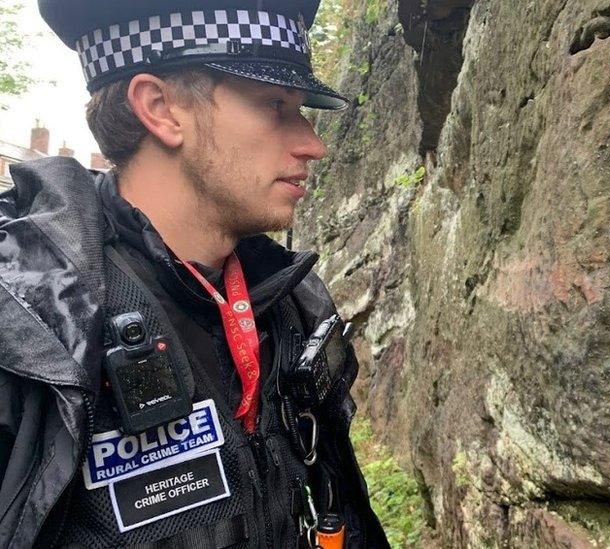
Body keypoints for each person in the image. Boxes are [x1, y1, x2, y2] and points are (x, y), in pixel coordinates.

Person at [0, 1, 389, 547]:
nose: (313, 144)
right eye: (275, 106)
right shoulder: (31, 333)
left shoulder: (290, 300)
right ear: (160, 109)